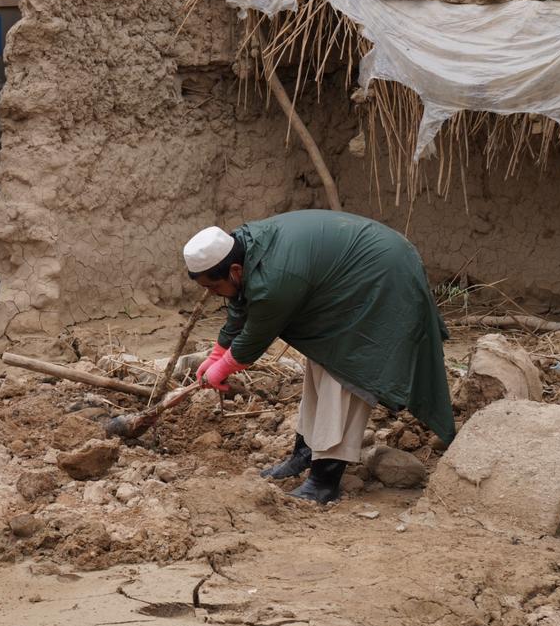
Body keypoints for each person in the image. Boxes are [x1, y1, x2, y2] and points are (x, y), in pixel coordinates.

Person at [184, 210, 455, 504]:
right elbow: (239, 301)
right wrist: (217, 353)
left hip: (382, 275)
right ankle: (305, 454)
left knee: (346, 366)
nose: (212, 293)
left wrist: (221, 368)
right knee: (322, 354)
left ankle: (324, 480)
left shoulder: (275, 278)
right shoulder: (242, 247)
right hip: (348, 278)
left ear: (234, 270)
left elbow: (253, 340)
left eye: (212, 286)